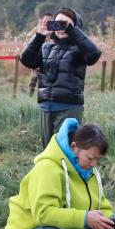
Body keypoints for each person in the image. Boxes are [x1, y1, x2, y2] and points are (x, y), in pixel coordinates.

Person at [4, 120, 115, 229]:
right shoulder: (47, 168)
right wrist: (85, 218)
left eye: (97, 160)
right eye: (90, 158)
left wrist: (112, 221)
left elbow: (101, 207)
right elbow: (43, 214)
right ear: (73, 147)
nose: (93, 164)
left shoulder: (87, 171)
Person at [20, 7, 101, 146]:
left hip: (69, 107)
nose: (61, 28)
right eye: (57, 24)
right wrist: (39, 35)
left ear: (75, 26)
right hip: (46, 107)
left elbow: (94, 55)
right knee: (47, 150)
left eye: (65, 23)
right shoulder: (46, 47)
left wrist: (73, 31)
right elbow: (26, 60)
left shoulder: (79, 49)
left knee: (65, 150)